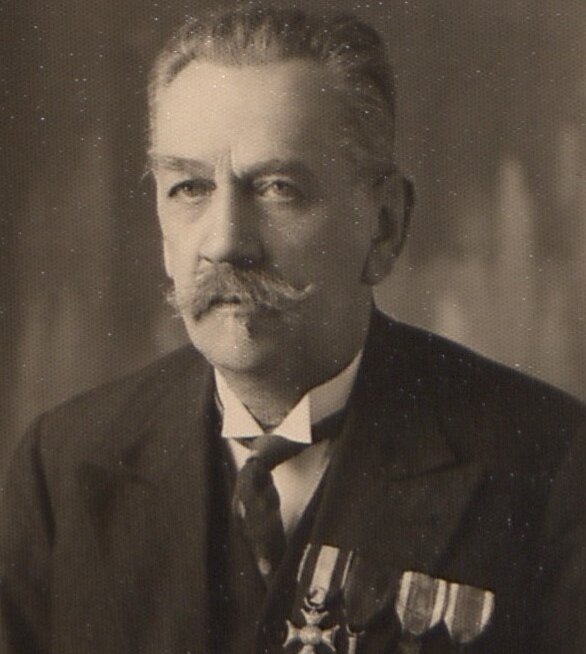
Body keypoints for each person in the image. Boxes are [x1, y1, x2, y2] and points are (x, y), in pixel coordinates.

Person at [1, 7, 585, 654]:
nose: (225, 243)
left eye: (279, 188)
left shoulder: (553, 466)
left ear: (384, 226)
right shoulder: (64, 466)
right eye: (190, 188)